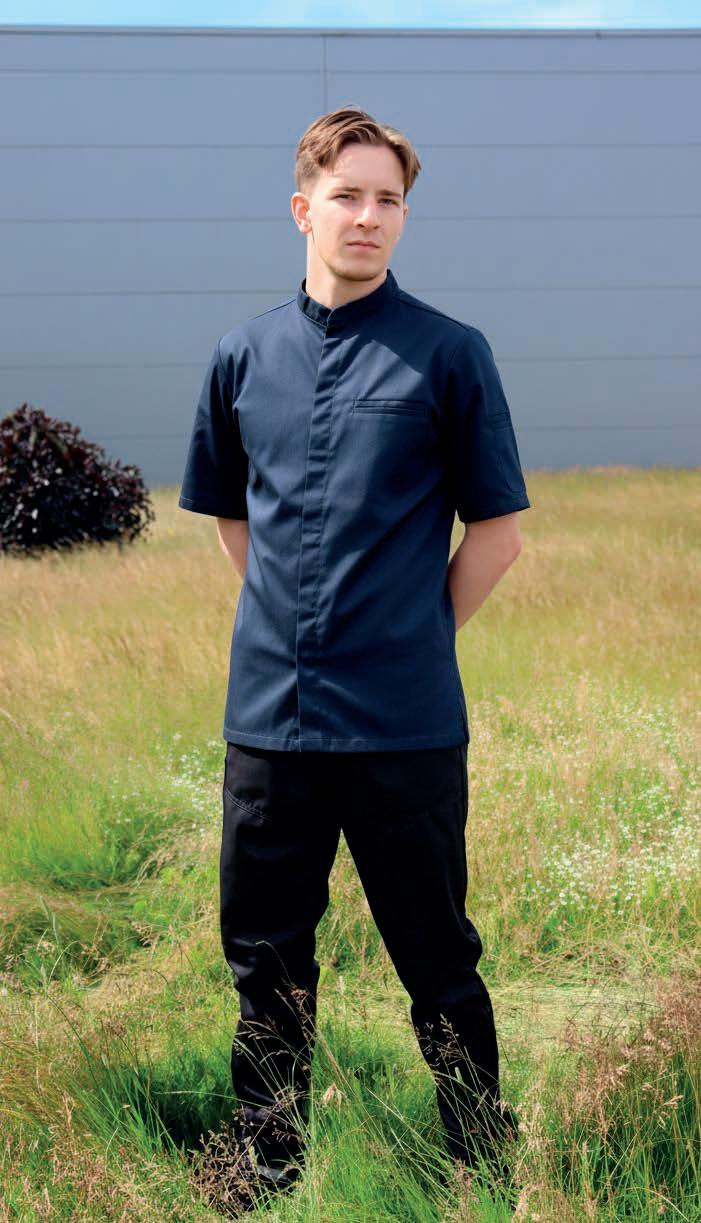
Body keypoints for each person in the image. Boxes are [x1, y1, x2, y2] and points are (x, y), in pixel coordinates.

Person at [178, 105, 531, 1200]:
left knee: (436, 955)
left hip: (403, 725)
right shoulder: (241, 355)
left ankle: (478, 1160)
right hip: (268, 724)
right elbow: (233, 517)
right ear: (303, 209)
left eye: (388, 200)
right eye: (347, 196)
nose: (368, 216)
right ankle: (267, 1163)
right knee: (265, 957)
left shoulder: (449, 353)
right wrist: (292, 627)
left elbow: (498, 532)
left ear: (402, 218)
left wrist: (411, 634)